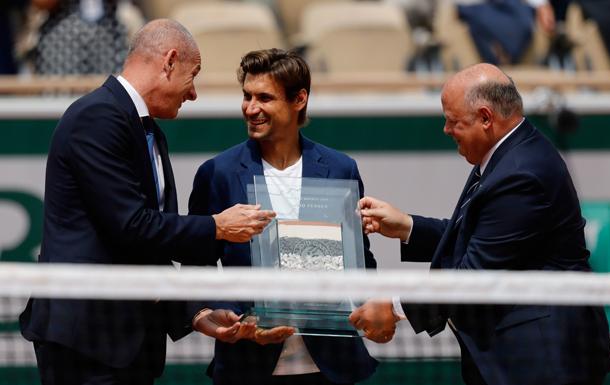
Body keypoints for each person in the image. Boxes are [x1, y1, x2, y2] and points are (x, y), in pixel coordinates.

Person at [19, 19, 274, 385]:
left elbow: (142, 252)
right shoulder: (98, 117)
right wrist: (217, 226)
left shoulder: (148, 131)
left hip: (127, 347)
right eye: (193, 74)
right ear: (170, 62)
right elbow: (131, 226)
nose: (193, 94)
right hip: (86, 346)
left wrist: (195, 312)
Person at [349, 63, 610, 385]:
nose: (446, 130)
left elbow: (474, 275)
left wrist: (394, 308)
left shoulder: (521, 173)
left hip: (542, 358)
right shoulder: (510, 153)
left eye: (452, 121)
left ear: (486, 118)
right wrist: (407, 227)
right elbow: (482, 239)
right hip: (522, 354)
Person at [185, 48, 378, 385]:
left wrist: (366, 304)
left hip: (331, 366)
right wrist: (229, 317)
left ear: (299, 99)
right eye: (246, 96)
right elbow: (197, 263)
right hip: (247, 366)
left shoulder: (340, 169)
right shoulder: (217, 173)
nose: (251, 108)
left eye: (264, 97)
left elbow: (359, 258)